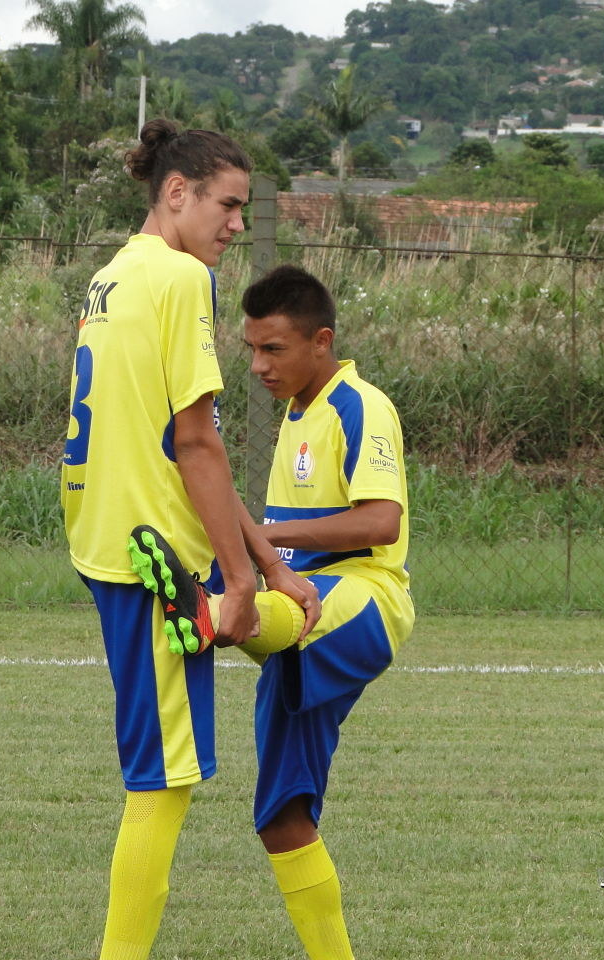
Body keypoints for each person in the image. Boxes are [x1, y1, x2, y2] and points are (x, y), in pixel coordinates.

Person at [60, 119, 319, 960]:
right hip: (157, 562)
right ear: (177, 192)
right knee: (161, 784)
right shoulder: (179, 277)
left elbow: (177, 447)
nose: (237, 225)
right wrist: (240, 582)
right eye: (228, 205)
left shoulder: (111, 275)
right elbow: (197, 441)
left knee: (282, 636)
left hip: (112, 538)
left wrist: (268, 565)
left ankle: (309, 614)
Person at [238, 265, 416, 960]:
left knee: (259, 611)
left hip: (364, 599)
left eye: (273, 349)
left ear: (321, 341)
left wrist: (264, 537)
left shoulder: (359, 405)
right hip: (300, 613)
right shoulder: (296, 410)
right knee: (282, 817)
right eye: (252, 349)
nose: (259, 365)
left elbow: (380, 519)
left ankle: (211, 615)